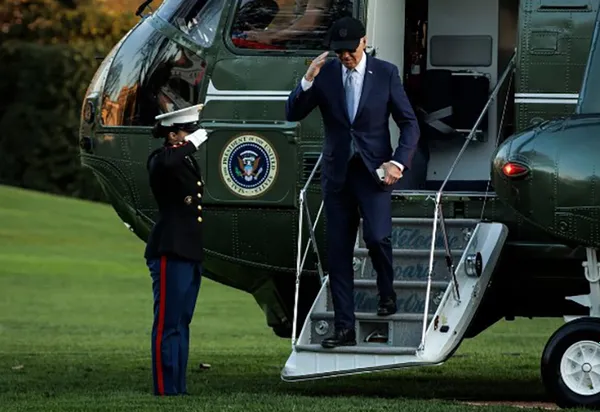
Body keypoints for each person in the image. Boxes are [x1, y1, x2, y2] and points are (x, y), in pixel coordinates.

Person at [285, 16, 420, 348]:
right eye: (339, 52)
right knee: (338, 252)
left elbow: (409, 123)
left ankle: (387, 292)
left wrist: (398, 162)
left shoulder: (385, 73)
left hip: (373, 173)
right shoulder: (326, 74)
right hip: (337, 175)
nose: (345, 56)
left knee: (377, 237)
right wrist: (307, 78)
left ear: (364, 42)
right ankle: (344, 327)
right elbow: (293, 113)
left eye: (350, 50)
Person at [144, 104, 209, 396]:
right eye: (187, 131)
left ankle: (178, 386)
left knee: (182, 321)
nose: (192, 136)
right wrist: (191, 143)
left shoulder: (183, 161)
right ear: (172, 135)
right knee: (168, 323)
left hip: (188, 250)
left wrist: (189, 144)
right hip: (169, 249)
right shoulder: (160, 160)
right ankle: (165, 387)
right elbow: (168, 163)